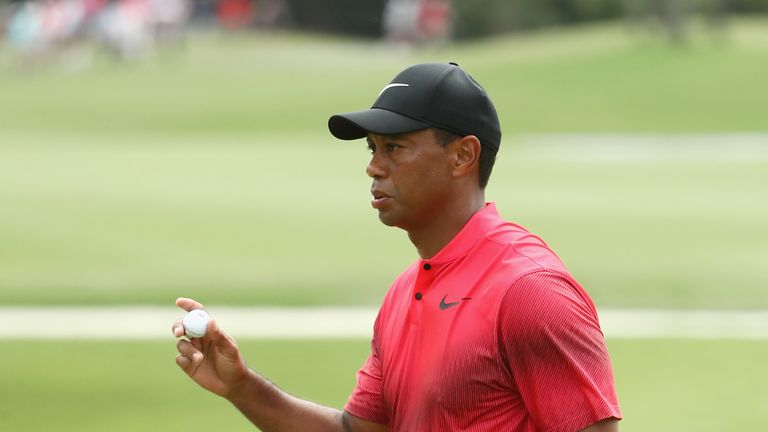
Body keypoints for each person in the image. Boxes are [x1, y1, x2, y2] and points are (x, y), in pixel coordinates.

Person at [172, 62, 622, 431]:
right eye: (371, 148)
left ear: (463, 156)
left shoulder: (528, 291)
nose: (373, 167)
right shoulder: (407, 290)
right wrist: (243, 387)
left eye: (394, 147)